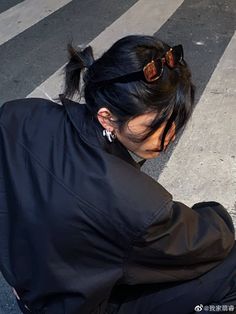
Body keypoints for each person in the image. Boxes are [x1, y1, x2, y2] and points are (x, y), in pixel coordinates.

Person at [0, 35, 235, 314]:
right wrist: (215, 213)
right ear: (106, 117)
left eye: (175, 118)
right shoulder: (138, 204)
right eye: (158, 123)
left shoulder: (17, 114)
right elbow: (210, 243)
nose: (170, 135)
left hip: (32, 292)